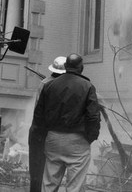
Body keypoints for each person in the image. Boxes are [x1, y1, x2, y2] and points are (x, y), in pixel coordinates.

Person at [33, 53, 101, 192]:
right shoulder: (88, 87)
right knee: (74, 186)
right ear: (81, 67)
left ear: (65, 66)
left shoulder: (49, 85)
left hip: (53, 138)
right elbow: (93, 117)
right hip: (78, 141)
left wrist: (43, 135)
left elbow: (38, 115)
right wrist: (91, 137)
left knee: (49, 183)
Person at [28, 56, 66, 192]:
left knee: (39, 170)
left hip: (41, 132)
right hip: (43, 132)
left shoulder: (45, 83)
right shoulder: (49, 85)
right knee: (45, 171)